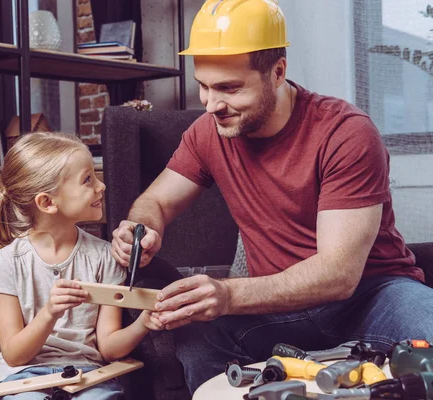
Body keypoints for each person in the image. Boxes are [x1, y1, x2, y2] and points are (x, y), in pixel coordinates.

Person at [110, 0, 433, 394]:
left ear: (277, 72)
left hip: (374, 295)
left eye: (229, 88)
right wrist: (141, 227)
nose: (212, 104)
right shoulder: (207, 132)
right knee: (195, 337)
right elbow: (156, 201)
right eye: (204, 86)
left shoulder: (345, 133)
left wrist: (227, 293)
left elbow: (338, 275)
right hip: (278, 311)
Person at [0, 132, 162, 399]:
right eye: (87, 179)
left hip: (88, 373)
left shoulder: (104, 257)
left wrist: (144, 322)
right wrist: (50, 311)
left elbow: (108, 347)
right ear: (47, 203)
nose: (102, 186)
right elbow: (15, 356)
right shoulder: (7, 262)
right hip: (22, 376)